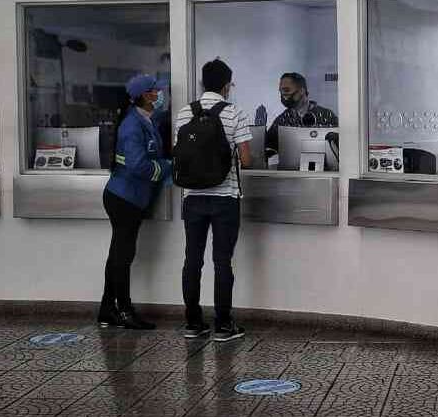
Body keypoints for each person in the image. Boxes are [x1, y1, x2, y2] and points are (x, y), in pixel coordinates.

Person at [174, 58, 253, 341]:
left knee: (192, 260)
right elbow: (246, 159)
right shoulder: (234, 113)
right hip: (224, 198)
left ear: (202, 83)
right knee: (222, 261)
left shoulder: (185, 113)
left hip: (192, 198)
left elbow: (180, 152)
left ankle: (193, 323)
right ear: (227, 85)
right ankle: (223, 324)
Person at [99, 74, 171, 330]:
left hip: (129, 197)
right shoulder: (132, 126)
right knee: (122, 257)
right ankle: (124, 310)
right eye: (155, 91)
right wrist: (167, 167)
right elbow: (138, 165)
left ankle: (107, 310)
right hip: (124, 199)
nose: (160, 94)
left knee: (118, 256)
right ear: (144, 96)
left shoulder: (144, 119)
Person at [265, 72, 338, 162]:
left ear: (302, 90)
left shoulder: (327, 115)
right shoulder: (282, 119)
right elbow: (268, 147)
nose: (283, 95)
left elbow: (342, 145)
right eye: (281, 91)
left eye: (286, 90)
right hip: (292, 170)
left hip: (325, 169)